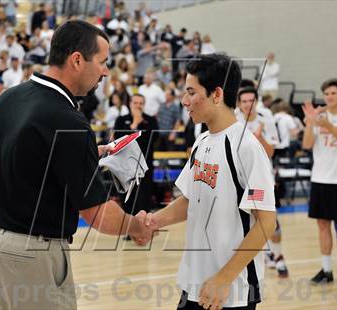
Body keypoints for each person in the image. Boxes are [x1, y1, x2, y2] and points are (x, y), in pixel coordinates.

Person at [0, 20, 157, 310]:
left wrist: (84, 154)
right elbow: (98, 215)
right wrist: (136, 226)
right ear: (77, 60)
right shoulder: (67, 120)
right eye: (103, 61)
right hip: (31, 254)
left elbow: (25, 158)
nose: (106, 71)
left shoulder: (8, 99)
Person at [137, 53, 276, 309]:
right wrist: (154, 221)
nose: (184, 100)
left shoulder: (246, 147)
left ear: (216, 94)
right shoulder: (201, 141)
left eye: (191, 92)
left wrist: (224, 278)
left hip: (231, 290)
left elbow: (266, 223)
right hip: (195, 281)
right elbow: (190, 199)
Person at [302, 78, 337, 286]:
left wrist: (329, 126)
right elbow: (307, 144)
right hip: (319, 177)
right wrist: (310, 122)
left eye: (333, 93)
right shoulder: (319, 116)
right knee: (322, 225)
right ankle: (326, 270)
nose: (329, 97)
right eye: (326, 94)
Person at [236, 87, 289, 278]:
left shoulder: (266, 121)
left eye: (251, 100)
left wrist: (259, 138)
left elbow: (271, 152)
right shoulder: (233, 121)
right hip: (239, 181)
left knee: (269, 220)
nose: (248, 104)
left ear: (256, 101)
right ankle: (252, 260)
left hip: (260, 181)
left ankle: (279, 255)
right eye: (244, 101)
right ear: (239, 104)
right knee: (242, 223)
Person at [113, 94, 158, 216]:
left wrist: (140, 124)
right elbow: (119, 139)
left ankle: (144, 230)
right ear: (130, 104)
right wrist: (134, 125)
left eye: (141, 103)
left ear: (144, 105)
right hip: (126, 166)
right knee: (128, 199)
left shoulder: (151, 120)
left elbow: (152, 139)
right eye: (135, 103)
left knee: (144, 199)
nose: (138, 106)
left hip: (145, 166)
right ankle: (129, 230)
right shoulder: (121, 120)